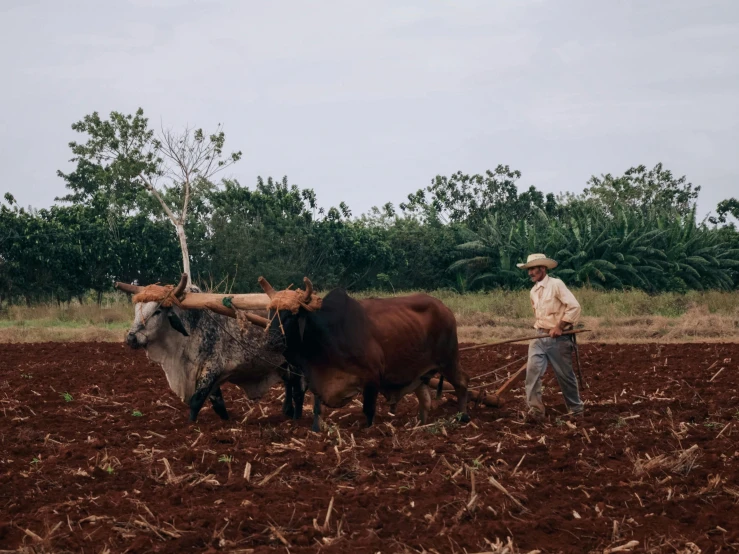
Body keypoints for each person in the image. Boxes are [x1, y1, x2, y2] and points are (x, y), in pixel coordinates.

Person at [516, 253, 584, 421]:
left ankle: (575, 410)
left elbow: (574, 307)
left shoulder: (556, 284)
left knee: (565, 375)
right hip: (538, 335)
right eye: (529, 270)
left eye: (533, 269)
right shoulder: (533, 291)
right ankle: (536, 411)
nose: (530, 273)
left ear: (543, 268)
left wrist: (559, 326)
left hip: (558, 339)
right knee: (532, 372)